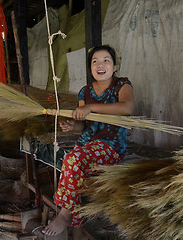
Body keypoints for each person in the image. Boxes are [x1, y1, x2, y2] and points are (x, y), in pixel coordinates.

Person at [42, 45, 135, 239]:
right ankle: (77, 233)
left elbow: (127, 107)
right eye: (95, 62)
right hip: (87, 144)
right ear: (90, 67)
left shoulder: (122, 85)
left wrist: (90, 108)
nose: (100, 65)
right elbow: (82, 126)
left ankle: (65, 215)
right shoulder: (84, 92)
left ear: (115, 66)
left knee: (73, 161)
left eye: (106, 61)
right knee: (74, 169)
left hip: (110, 146)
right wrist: (72, 126)